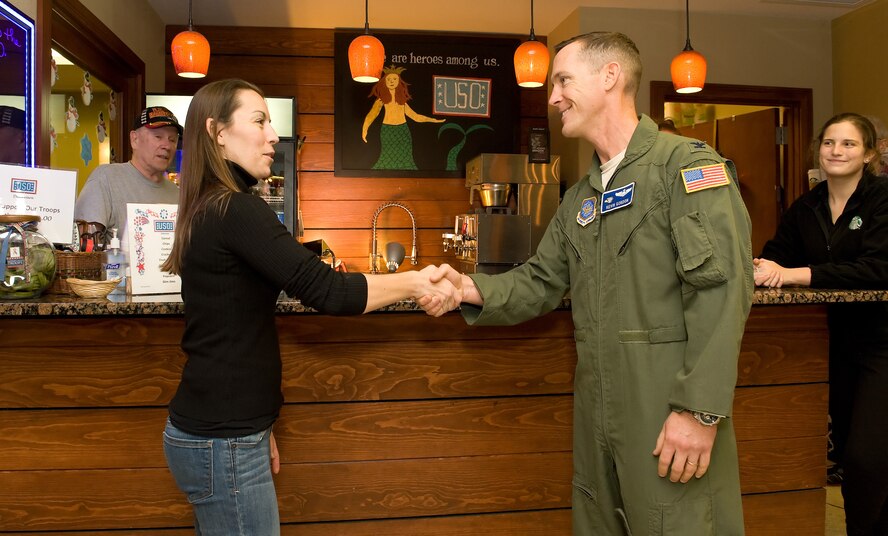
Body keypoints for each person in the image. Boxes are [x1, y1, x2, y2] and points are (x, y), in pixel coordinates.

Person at [422, 32, 753, 535]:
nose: (552, 97)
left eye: (562, 80)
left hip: (667, 408)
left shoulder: (685, 167)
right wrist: (467, 289)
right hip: (596, 410)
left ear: (610, 77)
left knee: (680, 523)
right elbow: (540, 279)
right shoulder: (582, 195)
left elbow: (722, 290)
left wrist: (699, 411)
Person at [159, 78, 458, 535]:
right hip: (224, 440)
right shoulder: (236, 210)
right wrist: (416, 283)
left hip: (225, 433)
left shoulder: (208, 207)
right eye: (258, 120)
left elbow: (230, 326)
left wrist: (258, 429)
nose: (272, 135)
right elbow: (327, 291)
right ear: (217, 131)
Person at [754, 112, 888, 536]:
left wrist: (797, 274)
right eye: (829, 143)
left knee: (869, 457)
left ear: (868, 153)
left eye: (848, 144)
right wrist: (762, 267)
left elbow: (877, 268)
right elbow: (776, 253)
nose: (836, 151)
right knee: (851, 455)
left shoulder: (882, 198)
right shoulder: (808, 205)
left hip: (882, 344)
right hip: (833, 343)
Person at [74, 105, 182, 254]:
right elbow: (85, 247)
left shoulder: (177, 194)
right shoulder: (106, 178)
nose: (167, 146)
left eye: (172, 140)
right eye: (158, 137)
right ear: (134, 139)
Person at [361, 65, 444, 170]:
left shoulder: (402, 101)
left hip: (403, 131)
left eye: (394, 79)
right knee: (387, 156)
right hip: (388, 131)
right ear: (384, 82)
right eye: (389, 79)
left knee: (406, 157)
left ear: (399, 81)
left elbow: (415, 117)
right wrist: (365, 128)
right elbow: (372, 115)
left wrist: (433, 120)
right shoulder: (381, 100)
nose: (391, 81)